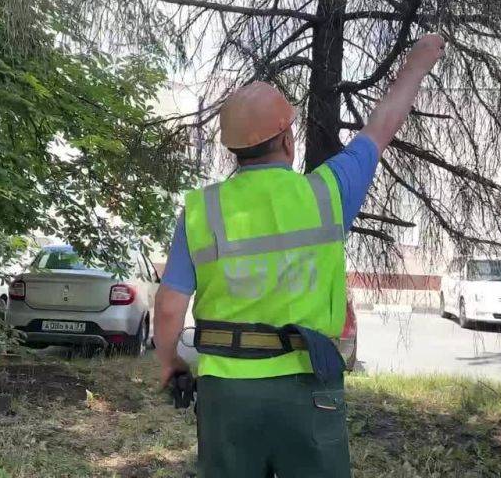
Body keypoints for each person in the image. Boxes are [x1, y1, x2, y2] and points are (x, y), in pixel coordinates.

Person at [153, 34, 446, 477]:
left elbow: (170, 306)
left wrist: (169, 362)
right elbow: (381, 127)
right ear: (288, 139)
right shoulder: (328, 193)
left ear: (234, 151)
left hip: (226, 393)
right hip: (309, 388)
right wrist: (416, 64)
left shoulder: (201, 210)